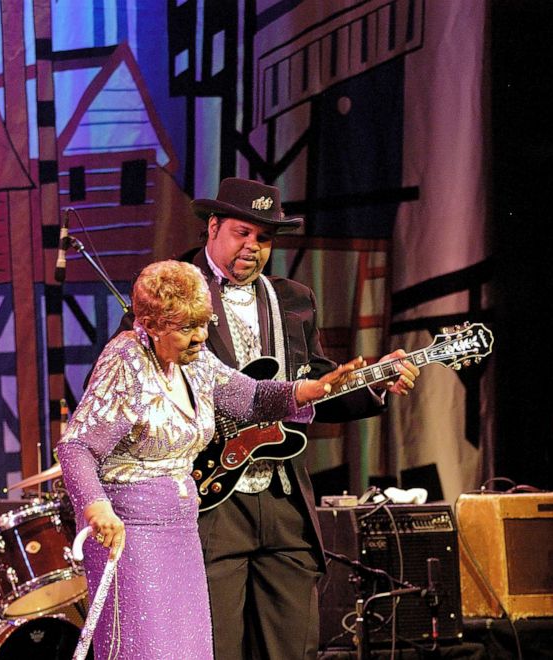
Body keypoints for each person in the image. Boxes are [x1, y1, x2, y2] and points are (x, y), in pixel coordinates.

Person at [56, 260, 358, 659]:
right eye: (186, 328)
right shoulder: (126, 359)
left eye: (204, 323)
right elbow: (75, 447)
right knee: (151, 650)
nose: (200, 337)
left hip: (182, 528)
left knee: (191, 650)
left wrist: (309, 390)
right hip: (130, 533)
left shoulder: (194, 362)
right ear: (149, 323)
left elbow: (249, 397)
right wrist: (97, 510)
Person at [188, 177, 419, 659]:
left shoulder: (293, 300)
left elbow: (316, 386)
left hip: (283, 498)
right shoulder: (174, 290)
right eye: (242, 232)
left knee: (293, 647)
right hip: (209, 499)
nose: (253, 247)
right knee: (213, 649)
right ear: (213, 227)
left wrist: (371, 383)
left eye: (265, 238)